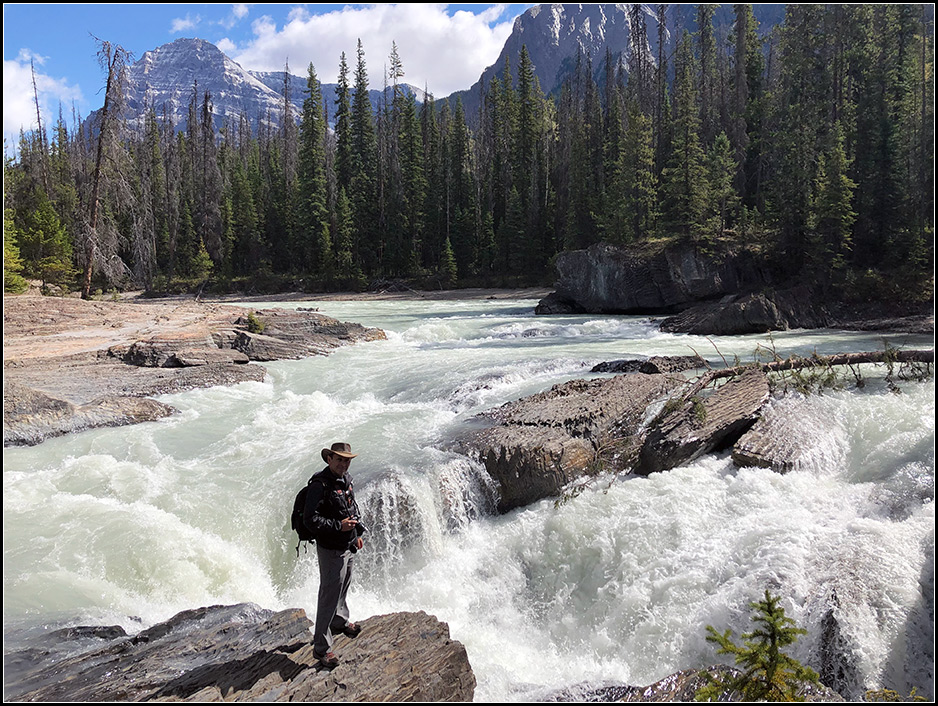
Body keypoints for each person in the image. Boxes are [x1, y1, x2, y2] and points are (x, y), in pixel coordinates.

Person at [303, 441, 366, 668]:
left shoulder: (346, 480)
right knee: (328, 595)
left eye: (346, 460)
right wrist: (339, 527)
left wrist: (356, 532)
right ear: (329, 459)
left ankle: (339, 621)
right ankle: (321, 648)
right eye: (339, 459)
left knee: (343, 586)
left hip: (348, 544)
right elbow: (309, 520)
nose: (343, 464)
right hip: (330, 548)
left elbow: (351, 508)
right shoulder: (319, 485)